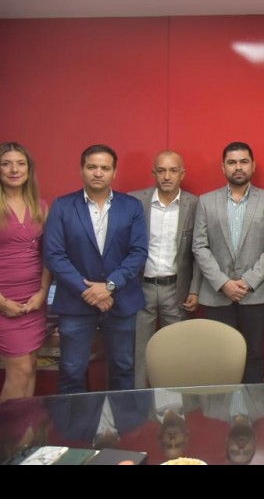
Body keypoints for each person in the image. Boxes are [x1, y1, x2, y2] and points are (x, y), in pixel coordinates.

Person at [44, 145, 148, 393]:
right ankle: (75, 421)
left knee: (123, 368)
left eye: (105, 168)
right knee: (71, 370)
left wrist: (109, 286)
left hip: (121, 301)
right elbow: (54, 255)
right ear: (81, 170)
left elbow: (138, 252)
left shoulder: (131, 206)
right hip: (75, 302)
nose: (98, 173)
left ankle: (123, 420)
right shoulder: (62, 206)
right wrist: (88, 291)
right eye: (92, 167)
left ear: (114, 172)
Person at [193, 141, 264, 384]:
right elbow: (199, 246)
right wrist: (224, 283)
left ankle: (250, 406)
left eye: (243, 162)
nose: (238, 167)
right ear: (223, 168)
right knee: (220, 356)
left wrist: (247, 281)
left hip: (256, 294)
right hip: (216, 293)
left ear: (253, 166)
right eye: (232, 162)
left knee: (254, 353)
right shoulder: (206, 202)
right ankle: (223, 408)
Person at [128, 151, 201, 388]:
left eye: (173, 170)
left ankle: (173, 405)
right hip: (141, 287)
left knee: (176, 351)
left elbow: (199, 250)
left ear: (182, 174)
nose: (167, 176)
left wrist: (195, 289)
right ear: (154, 173)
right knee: (139, 351)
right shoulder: (135, 201)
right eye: (161, 171)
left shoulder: (195, 204)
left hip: (176, 289)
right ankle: (139, 401)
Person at [0, 142, 51, 402]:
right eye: (6, 163)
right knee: (19, 371)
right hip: (4, 302)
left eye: (20, 164)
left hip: (33, 301)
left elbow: (48, 256)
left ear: (29, 170)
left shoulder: (40, 206)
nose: (14, 169)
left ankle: (25, 428)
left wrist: (43, 292)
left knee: (30, 368)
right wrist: (2, 303)